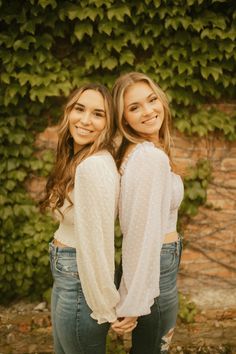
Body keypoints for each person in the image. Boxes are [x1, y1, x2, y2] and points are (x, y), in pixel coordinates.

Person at [41, 83, 122, 354]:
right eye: (80, 109)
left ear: (109, 124)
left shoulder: (92, 166)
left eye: (98, 114)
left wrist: (104, 304)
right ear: (69, 112)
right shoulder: (78, 158)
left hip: (79, 279)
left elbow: (98, 244)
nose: (86, 120)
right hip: (67, 273)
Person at [111, 72, 184, 354]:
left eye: (152, 100)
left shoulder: (145, 151)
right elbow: (140, 234)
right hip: (157, 265)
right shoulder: (149, 158)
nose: (148, 111)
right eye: (134, 107)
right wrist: (134, 300)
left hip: (160, 263)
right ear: (123, 118)